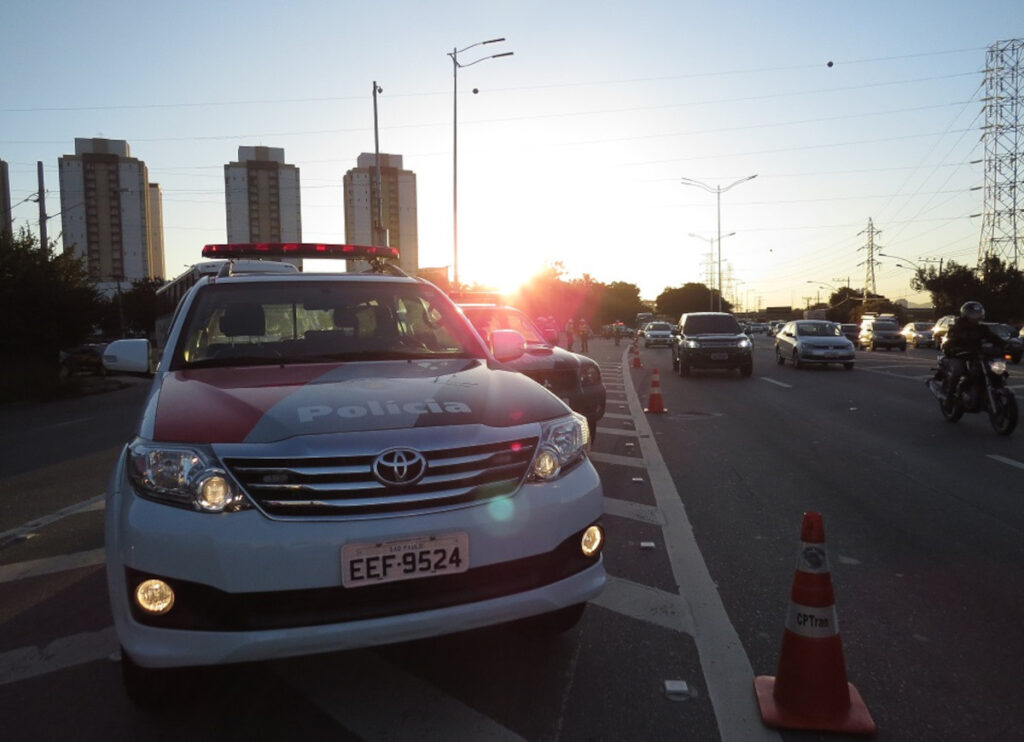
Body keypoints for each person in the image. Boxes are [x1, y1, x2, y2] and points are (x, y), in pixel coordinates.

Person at [940, 301, 1005, 397]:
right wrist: (956, 348)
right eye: (972, 314)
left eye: (977, 314)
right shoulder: (957, 328)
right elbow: (950, 341)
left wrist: (1006, 345)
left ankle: (995, 388)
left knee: (996, 369)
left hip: (976, 355)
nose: (975, 317)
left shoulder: (982, 328)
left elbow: (993, 338)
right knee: (958, 370)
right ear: (965, 315)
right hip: (959, 355)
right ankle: (950, 397)